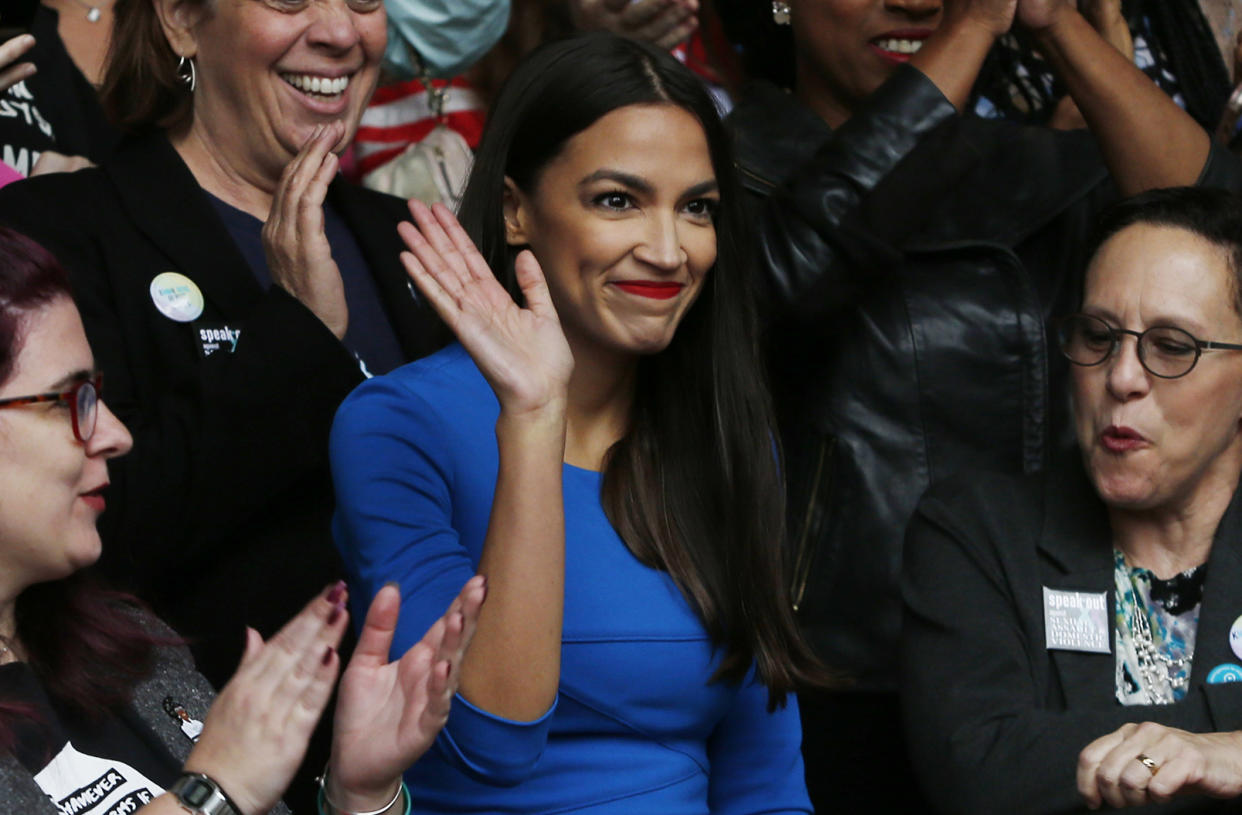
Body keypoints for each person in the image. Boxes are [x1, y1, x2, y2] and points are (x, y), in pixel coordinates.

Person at [722, 0, 1242, 808]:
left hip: (1057, 641)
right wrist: (965, 31)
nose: (918, 2)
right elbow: (800, 270)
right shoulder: (720, 166)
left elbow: (1213, 241)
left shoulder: (1029, 160)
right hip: (839, 659)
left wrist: (1052, 23)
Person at [331, 32, 824, 814]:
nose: (669, 250)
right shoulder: (399, 426)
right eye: (617, 200)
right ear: (517, 211)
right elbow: (492, 739)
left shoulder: (725, 432)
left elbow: (764, 777)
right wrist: (534, 416)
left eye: (697, 208)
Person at [0, 0, 443, 805]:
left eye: (366, 0)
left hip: (428, 772)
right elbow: (87, 533)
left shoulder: (417, 239)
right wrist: (296, 339)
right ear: (178, 19)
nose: (341, 32)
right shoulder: (63, 230)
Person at [0, 225, 485, 815]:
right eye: (71, 400)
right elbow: (219, 795)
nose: (115, 435)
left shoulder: (125, 645)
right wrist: (214, 789)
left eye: (98, 397)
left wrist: (357, 794)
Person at [901, 187, 1242, 813]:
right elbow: (983, 771)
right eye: (1097, 336)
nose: (1121, 377)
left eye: (1172, 346)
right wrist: (1218, 749)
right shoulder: (976, 529)